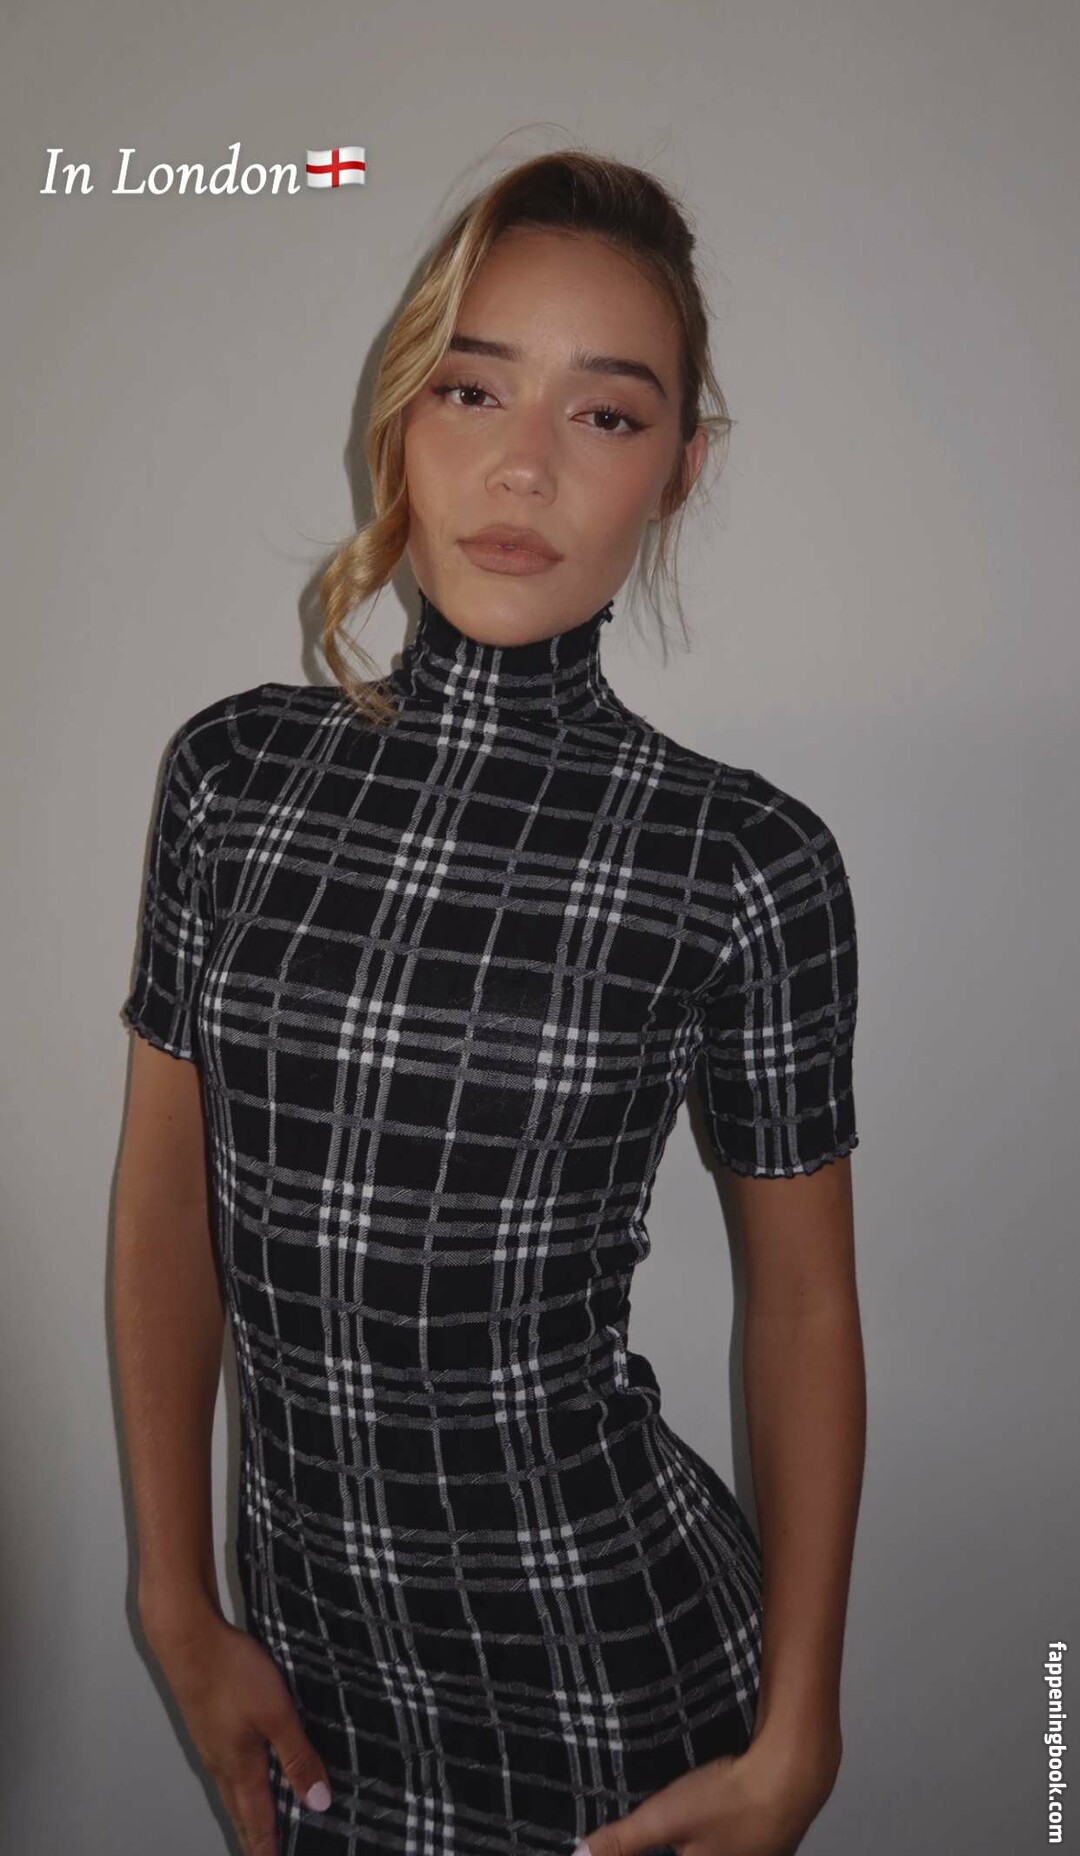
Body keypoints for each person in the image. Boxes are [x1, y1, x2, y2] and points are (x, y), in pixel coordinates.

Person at [113, 149, 865, 1856]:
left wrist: (801, 1732)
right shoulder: (234, 778)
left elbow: (804, 1311)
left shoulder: (741, 860)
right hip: (307, 1679)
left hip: (620, 1682)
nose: (524, 465)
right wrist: (175, 1597)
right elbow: (167, 1204)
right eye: (472, 388)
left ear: (679, 468)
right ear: (402, 414)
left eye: (607, 414)